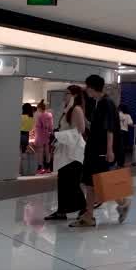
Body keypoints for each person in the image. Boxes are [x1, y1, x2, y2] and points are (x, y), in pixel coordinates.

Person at [72, 74, 130, 227]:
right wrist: (85, 121)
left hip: (101, 150)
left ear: (91, 87)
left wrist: (110, 150)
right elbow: (99, 128)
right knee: (90, 183)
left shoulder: (107, 103)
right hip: (94, 149)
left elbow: (109, 129)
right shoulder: (99, 103)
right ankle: (88, 216)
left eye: (87, 87)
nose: (86, 90)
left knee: (103, 183)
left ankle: (123, 203)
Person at [46, 87, 87, 220]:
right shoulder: (68, 110)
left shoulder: (76, 109)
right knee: (64, 182)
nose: (64, 96)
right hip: (66, 150)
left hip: (73, 152)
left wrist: (58, 135)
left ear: (74, 95)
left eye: (67, 94)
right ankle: (62, 210)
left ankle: (83, 208)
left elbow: (80, 129)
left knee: (71, 182)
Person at [34, 100, 54, 173]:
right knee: (47, 151)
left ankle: (40, 168)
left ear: (39, 108)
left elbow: (40, 125)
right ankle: (48, 168)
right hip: (47, 134)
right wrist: (50, 132)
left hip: (40, 134)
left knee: (40, 152)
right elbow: (51, 126)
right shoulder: (49, 115)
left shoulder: (39, 115)